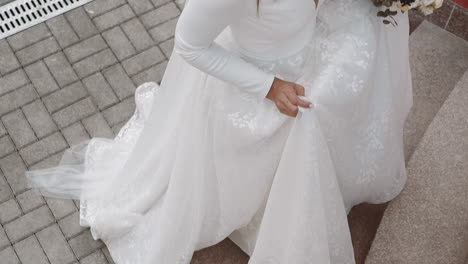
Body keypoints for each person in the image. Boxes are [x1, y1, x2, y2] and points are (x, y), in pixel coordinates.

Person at [24, 0, 413, 263]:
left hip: (307, 55)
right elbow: (190, 44)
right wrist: (269, 87)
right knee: (302, 129)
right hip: (254, 84)